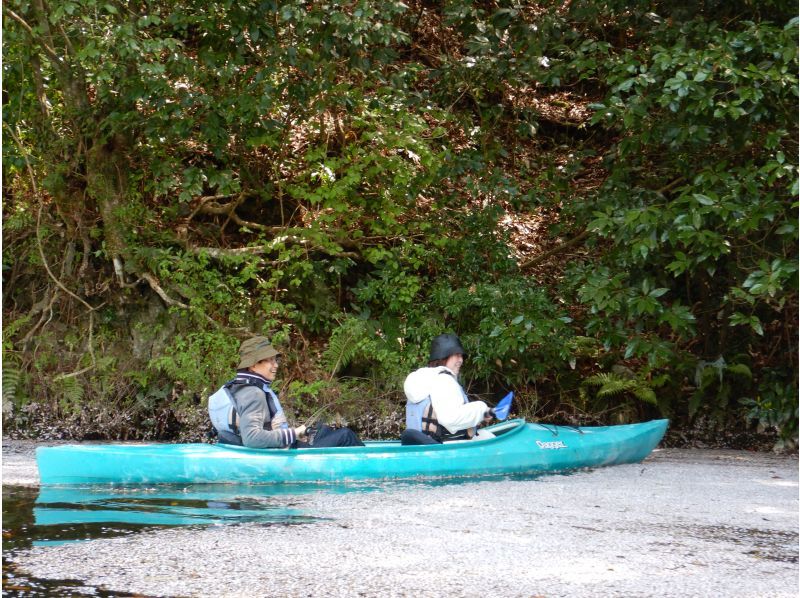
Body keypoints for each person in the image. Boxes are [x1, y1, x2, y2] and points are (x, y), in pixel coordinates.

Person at [208, 336, 363, 449]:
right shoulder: (254, 394)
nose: (276, 365)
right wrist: (293, 433)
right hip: (279, 455)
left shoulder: (238, 387)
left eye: (276, 360)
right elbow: (252, 439)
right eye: (270, 360)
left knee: (323, 430)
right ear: (253, 366)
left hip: (277, 448)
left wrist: (295, 433)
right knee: (345, 436)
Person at [402, 333, 495, 445]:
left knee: (485, 435)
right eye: (457, 355)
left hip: (422, 447)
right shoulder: (444, 381)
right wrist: (482, 411)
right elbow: (450, 419)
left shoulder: (424, 379)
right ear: (443, 356)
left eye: (461, 356)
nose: (461, 360)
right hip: (445, 447)